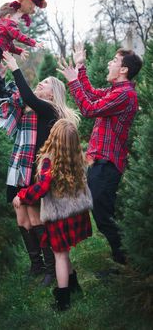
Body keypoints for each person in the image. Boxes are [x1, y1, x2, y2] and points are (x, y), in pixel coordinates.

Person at [0, 51, 79, 286]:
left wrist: (15, 66)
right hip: (22, 167)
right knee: (21, 218)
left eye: (43, 84)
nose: (38, 86)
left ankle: (52, 268)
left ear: (52, 93)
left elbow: (29, 98)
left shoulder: (50, 110)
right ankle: (36, 265)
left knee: (35, 218)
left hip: (37, 172)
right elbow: (13, 100)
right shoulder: (33, 111)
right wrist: (2, 78)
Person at [57, 44, 143, 267]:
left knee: (104, 215)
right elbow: (92, 95)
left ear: (124, 69)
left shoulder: (125, 95)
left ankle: (125, 262)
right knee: (103, 212)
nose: (109, 63)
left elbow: (88, 109)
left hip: (108, 163)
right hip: (101, 161)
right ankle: (123, 259)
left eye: (114, 60)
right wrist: (80, 66)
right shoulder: (116, 91)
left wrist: (73, 80)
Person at [13, 119, 92, 311]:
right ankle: (74, 286)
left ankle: (62, 300)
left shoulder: (50, 158)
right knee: (64, 253)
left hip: (59, 215)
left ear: (54, 136)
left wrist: (22, 196)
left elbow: (42, 186)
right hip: (74, 213)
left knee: (60, 257)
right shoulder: (75, 156)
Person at [0, 2, 43, 109]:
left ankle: (1, 95)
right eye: (17, 19)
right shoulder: (8, 23)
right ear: (8, 17)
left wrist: (20, 51)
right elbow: (18, 35)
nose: (18, 23)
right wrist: (33, 43)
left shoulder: (1, 28)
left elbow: (9, 45)